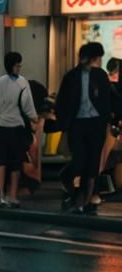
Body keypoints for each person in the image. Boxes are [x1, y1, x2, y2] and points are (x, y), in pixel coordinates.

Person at [56, 42, 113, 214]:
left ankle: (86, 200)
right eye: (98, 58)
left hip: (95, 123)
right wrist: (65, 124)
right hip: (78, 124)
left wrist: (109, 118)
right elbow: (63, 102)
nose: (99, 62)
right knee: (80, 161)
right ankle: (76, 193)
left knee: (93, 164)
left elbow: (109, 99)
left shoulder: (100, 76)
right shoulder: (72, 77)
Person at [0, 52, 37, 208]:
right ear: (13, 65)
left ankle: (1, 196)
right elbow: (28, 107)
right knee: (15, 165)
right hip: (16, 129)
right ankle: (13, 196)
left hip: (0, 128)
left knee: (1, 163)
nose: (20, 67)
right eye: (18, 64)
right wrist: (34, 118)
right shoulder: (22, 83)